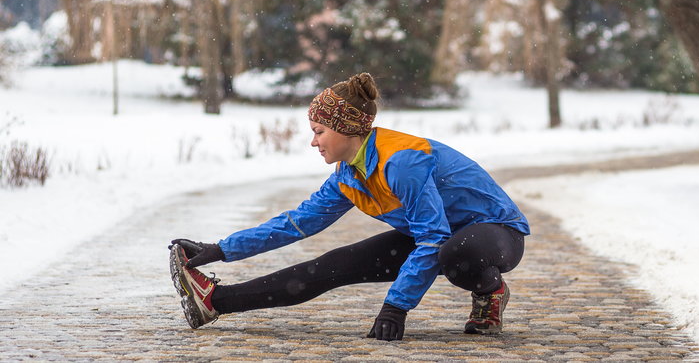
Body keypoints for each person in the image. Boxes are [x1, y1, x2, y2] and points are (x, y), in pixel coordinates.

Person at [168, 72, 529, 341]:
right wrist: (219, 250)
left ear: (347, 130)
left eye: (319, 131)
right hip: (438, 236)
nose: (313, 142)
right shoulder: (348, 174)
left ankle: (489, 291)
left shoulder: (402, 161)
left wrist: (396, 307)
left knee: (455, 253)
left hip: (496, 234)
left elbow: (432, 238)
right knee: (331, 266)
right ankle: (216, 302)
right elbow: (296, 223)